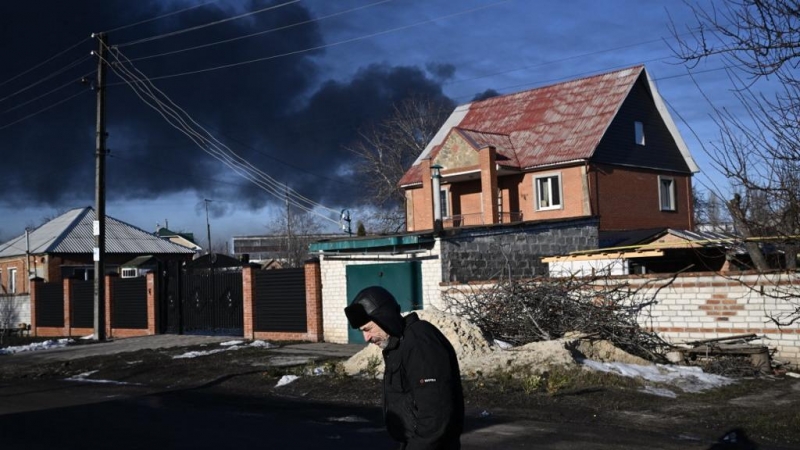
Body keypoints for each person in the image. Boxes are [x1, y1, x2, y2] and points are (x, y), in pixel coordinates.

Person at [344, 286, 464, 450]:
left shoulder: (419, 341)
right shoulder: (399, 345)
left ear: (383, 318)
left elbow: (435, 415)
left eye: (368, 329)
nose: (366, 338)